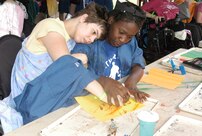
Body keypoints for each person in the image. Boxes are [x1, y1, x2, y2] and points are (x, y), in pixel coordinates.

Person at [0, 2, 110, 134]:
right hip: (28, 100)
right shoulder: (50, 26)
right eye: (93, 32)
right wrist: (104, 96)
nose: (91, 40)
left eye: (95, 38)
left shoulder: (70, 40)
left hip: (44, 96)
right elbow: (67, 67)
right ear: (84, 18)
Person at [71, 1, 150, 106]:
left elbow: (139, 64)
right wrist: (104, 81)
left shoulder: (131, 42)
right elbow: (73, 69)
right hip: (91, 98)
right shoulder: (91, 40)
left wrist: (130, 83)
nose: (124, 39)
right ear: (111, 20)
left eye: (130, 36)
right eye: (121, 33)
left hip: (119, 95)